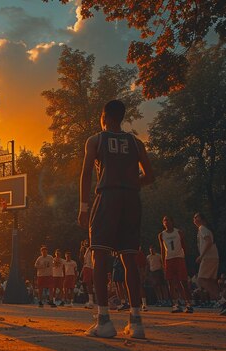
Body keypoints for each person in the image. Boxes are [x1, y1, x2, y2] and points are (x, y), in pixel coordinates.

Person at [78, 100, 154, 339]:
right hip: (131, 200)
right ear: (121, 117)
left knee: (100, 257)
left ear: (104, 117)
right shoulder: (136, 142)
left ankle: (104, 321)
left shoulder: (95, 140)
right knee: (129, 260)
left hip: (107, 197)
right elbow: (150, 176)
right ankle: (137, 322)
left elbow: (86, 174)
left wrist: (83, 206)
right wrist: (130, 185)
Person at [193, 212, 226, 316]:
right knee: (211, 281)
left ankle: (223, 302)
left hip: (208, 257)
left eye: (197, 217)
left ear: (202, 219)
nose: (194, 219)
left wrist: (201, 256)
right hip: (213, 256)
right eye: (194, 218)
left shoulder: (202, 228)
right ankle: (224, 303)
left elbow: (208, 242)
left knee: (201, 280)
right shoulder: (204, 229)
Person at [158, 216, 194, 313]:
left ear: (172, 222)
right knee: (170, 282)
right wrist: (162, 262)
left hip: (179, 258)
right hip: (168, 259)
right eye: (164, 220)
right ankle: (176, 304)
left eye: (168, 220)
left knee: (183, 281)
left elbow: (184, 245)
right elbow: (162, 249)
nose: (166, 222)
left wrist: (184, 256)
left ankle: (188, 303)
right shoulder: (161, 235)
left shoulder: (179, 232)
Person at [81, 241, 95, 309]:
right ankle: (90, 301)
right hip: (87, 267)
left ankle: (91, 301)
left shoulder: (91, 249)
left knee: (89, 284)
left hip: (89, 267)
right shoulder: (86, 250)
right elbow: (83, 261)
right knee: (87, 284)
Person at [134, 247, 148, 311]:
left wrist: (143, 273)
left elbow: (144, 264)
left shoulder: (139, 253)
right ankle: (138, 304)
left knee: (140, 287)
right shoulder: (133, 252)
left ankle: (144, 304)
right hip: (134, 270)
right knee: (135, 288)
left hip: (138, 270)